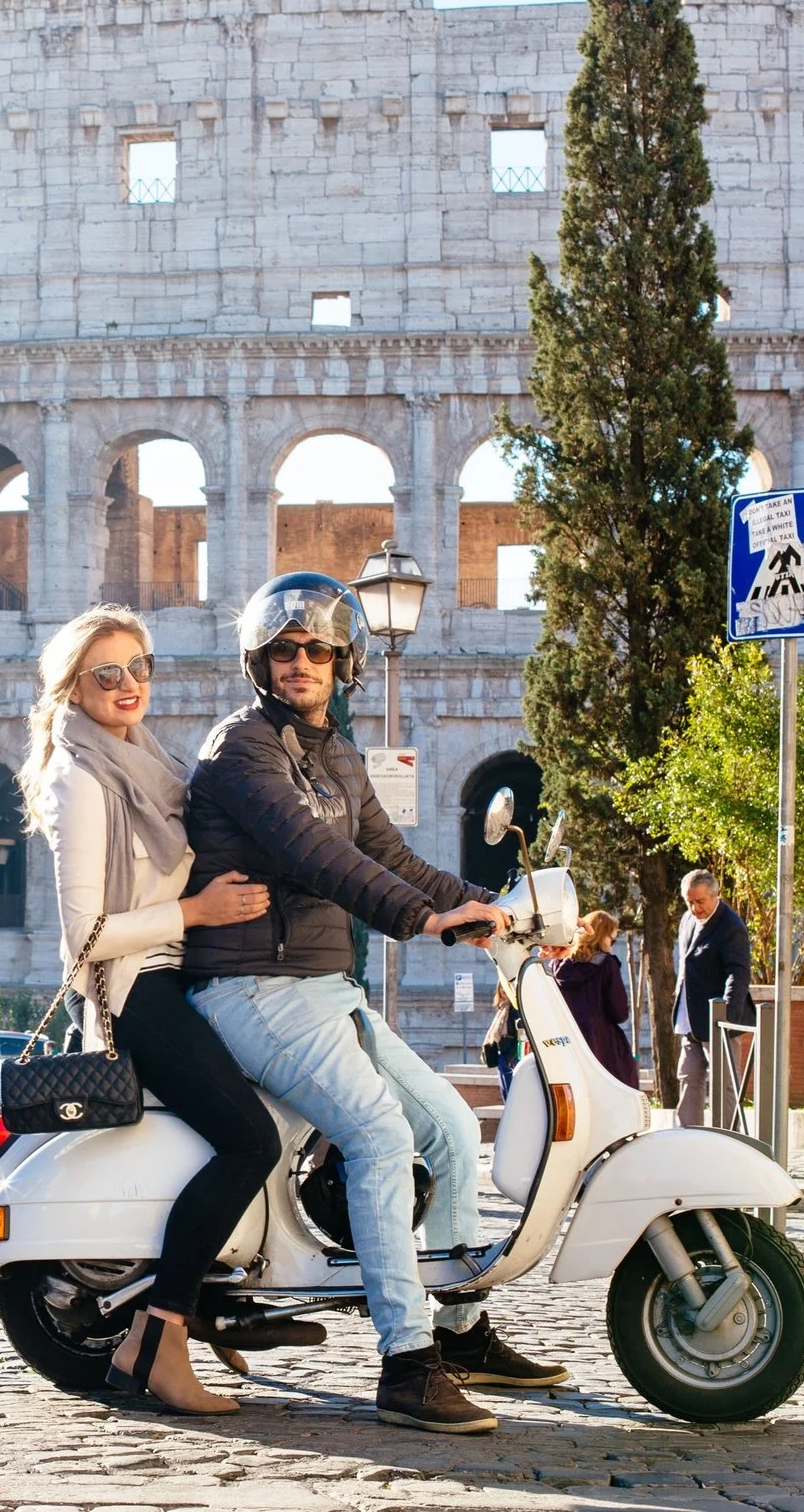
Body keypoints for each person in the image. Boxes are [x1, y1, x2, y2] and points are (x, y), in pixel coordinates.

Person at [180, 573, 567, 1435]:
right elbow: (318, 857)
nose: (300, 663)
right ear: (259, 661)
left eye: (318, 649)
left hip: (322, 987)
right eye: (284, 650)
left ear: (343, 660)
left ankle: (461, 1334)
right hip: (251, 987)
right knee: (380, 1136)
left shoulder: (338, 757)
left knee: (452, 1130)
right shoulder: (240, 749)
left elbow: (394, 855)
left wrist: (497, 909)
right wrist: (424, 920)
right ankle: (404, 1361)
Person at [19, 604, 284, 1416]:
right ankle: (159, 1337)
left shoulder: (141, 758)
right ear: (74, 685)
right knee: (251, 1142)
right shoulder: (81, 778)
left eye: (141, 667)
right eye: (108, 672)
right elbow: (86, 936)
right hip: (138, 995)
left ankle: (202, 1304)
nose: (129, 684)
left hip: (179, 979)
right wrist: (197, 914)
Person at [673, 870, 753, 1127]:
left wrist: (726, 1016)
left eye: (699, 902)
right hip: (689, 1019)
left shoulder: (731, 926)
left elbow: (738, 974)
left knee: (724, 1083)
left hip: (718, 1019)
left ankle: (726, 1138)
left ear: (715, 895)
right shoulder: (687, 919)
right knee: (688, 1077)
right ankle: (688, 1136)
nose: (694, 908)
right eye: (689, 901)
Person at [553, 910, 640, 1089]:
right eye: (612, 939)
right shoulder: (606, 965)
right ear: (601, 937)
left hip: (565, 1043)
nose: (612, 944)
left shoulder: (557, 966)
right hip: (601, 1043)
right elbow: (619, 1012)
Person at [481, 976, 521, 1107]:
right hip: (502, 1058)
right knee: (506, 1094)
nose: (503, 990)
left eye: (505, 987)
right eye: (501, 987)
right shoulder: (503, 1008)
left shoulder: (515, 1009)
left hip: (511, 1058)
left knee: (512, 1095)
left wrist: (510, 1056)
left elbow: (518, 1035)